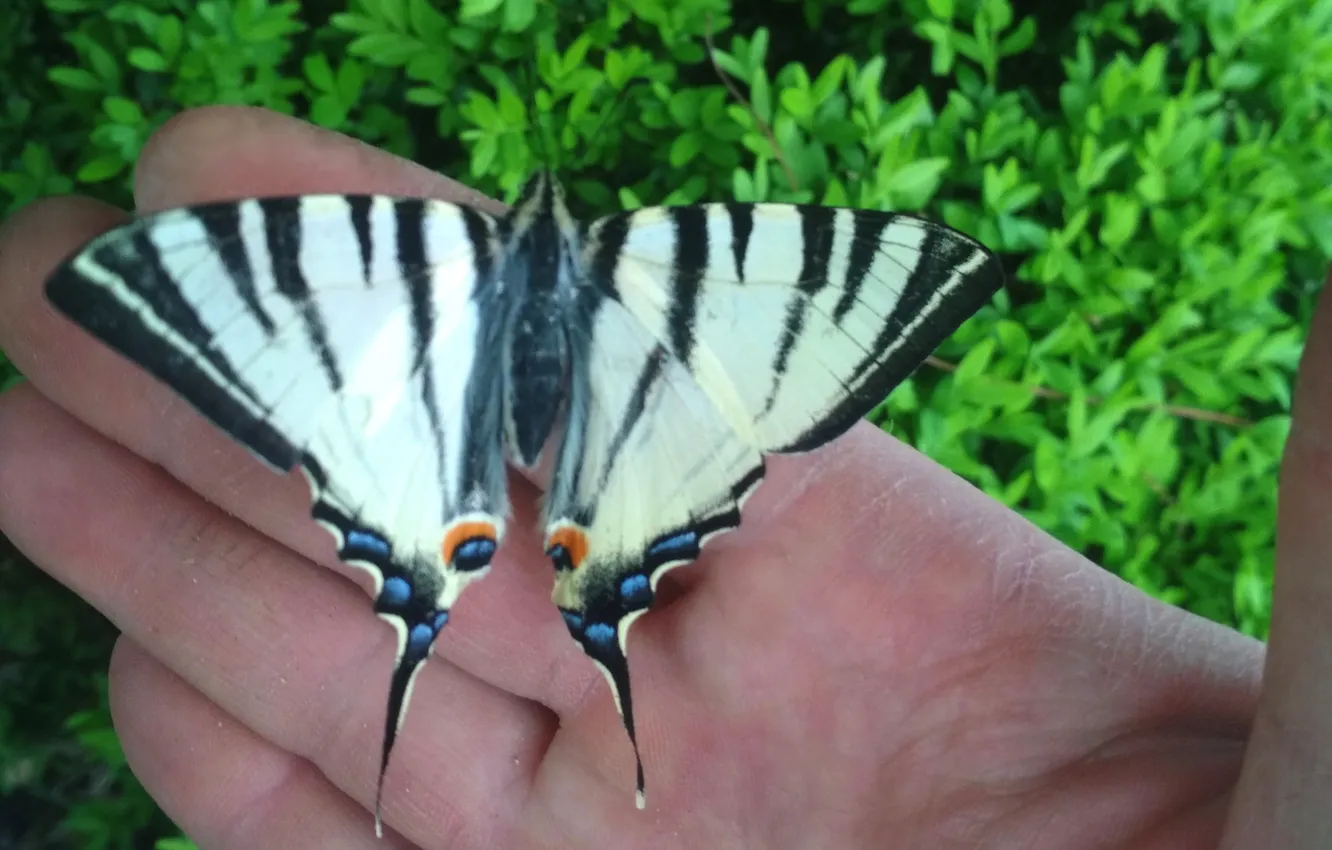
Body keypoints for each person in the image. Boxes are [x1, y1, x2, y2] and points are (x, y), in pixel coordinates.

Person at [0, 106, 1324, 849]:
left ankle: (461, 570)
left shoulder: (399, 254)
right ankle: (559, 575)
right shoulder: (676, 259)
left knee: (420, 572)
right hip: (639, 426)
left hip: (429, 428)